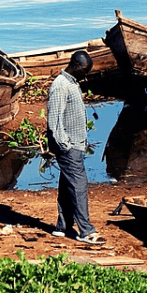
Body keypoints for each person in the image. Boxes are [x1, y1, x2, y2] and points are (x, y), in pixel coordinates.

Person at [45, 50, 104, 244]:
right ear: (77, 66)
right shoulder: (60, 85)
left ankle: (62, 227)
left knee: (67, 185)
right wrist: (65, 145)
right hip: (68, 147)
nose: (86, 75)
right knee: (79, 185)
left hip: (75, 145)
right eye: (85, 71)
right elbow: (54, 120)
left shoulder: (72, 82)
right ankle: (86, 231)